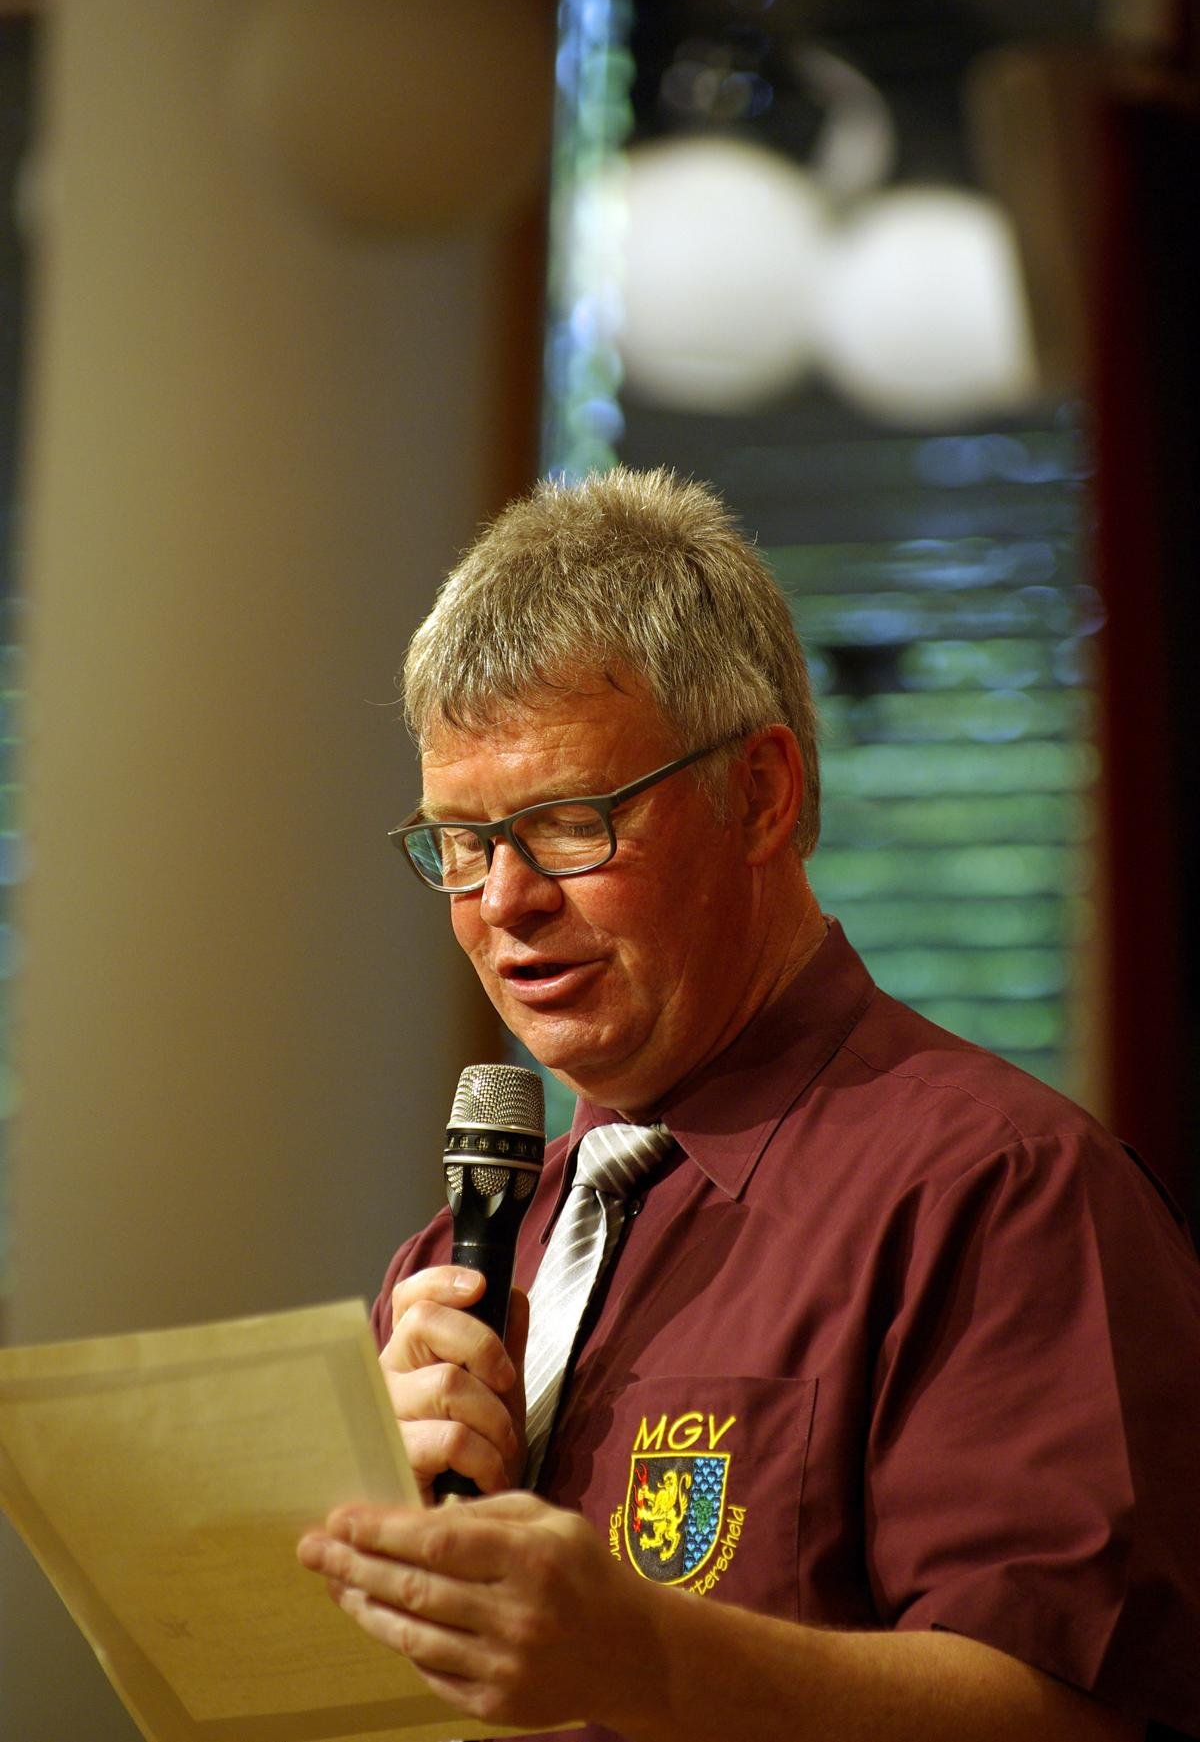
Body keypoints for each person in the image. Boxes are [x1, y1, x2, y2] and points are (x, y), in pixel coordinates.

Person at [298, 467, 1200, 1742]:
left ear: (761, 794)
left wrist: (649, 1660)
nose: (504, 899)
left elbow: (1080, 1716)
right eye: (461, 839)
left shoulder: (1003, 1191)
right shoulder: (455, 1262)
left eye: (569, 823)